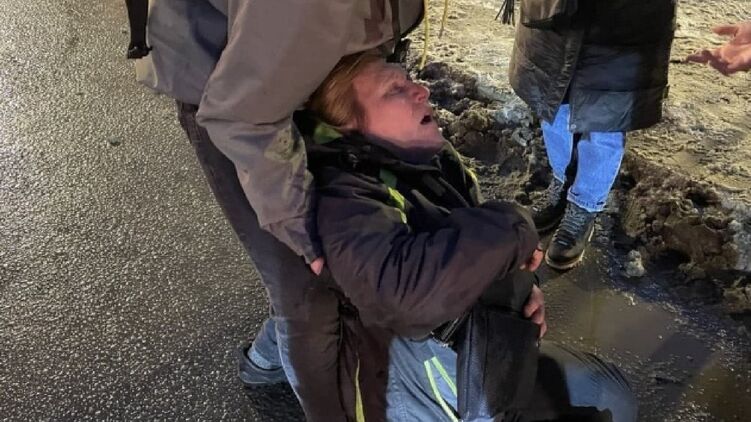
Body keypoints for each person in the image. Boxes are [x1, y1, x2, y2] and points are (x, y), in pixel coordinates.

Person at [266, 52, 638, 421]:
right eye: (395, 89)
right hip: (417, 368)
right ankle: (266, 363)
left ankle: (262, 360)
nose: (421, 90)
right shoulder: (344, 196)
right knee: (607, 400)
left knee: (610, 393)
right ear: (346, 124)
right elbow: (402, 294)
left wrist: (521, 287)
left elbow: (464, 239)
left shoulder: (423, 158)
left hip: (471, 335)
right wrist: (515, 230)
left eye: (408, 79)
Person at [131, 1, 423, 421]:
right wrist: (302, 229)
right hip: (236, 94)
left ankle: (270, 356)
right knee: (310, 291)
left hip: (310, 69)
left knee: (343, 261)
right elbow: (244, 116)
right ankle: (301, 390)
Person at [508, 0, 677, 270]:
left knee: (606, 117)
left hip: (625, 19)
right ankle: (562, 184)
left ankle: (584, 204)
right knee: (554, 100)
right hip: (553, 11)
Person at [687, 21, 751, 75]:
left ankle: (708, 57)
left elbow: (719, 30)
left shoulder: (746, 26)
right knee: (735, 64)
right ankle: (717, 62)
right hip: (740, 58)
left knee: (717, 54)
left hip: (726, 52)